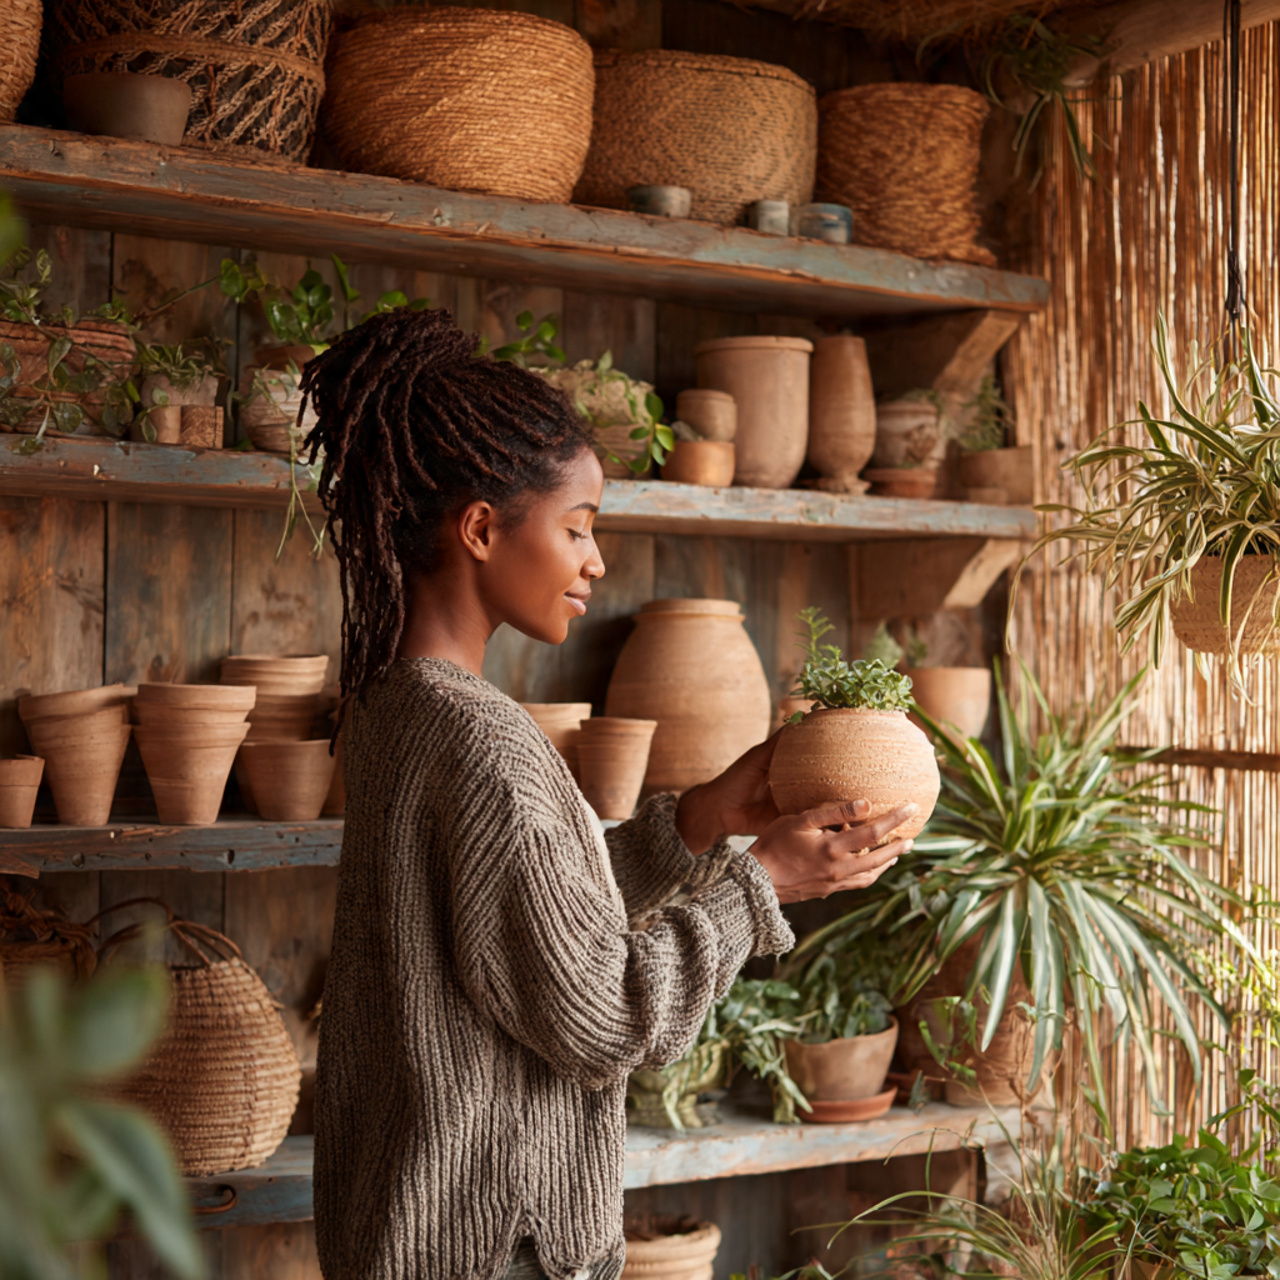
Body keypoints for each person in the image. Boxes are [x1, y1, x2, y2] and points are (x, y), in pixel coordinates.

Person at [303, 308, 916, 1280]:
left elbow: (521, 928)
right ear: (479, 529)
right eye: (577, 526)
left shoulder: (393, 704)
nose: (595, 558)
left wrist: (697, 823)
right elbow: (602, 1015)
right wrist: (759, 883)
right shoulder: (482, 741)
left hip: (409, 1226)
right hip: (497, 1247)